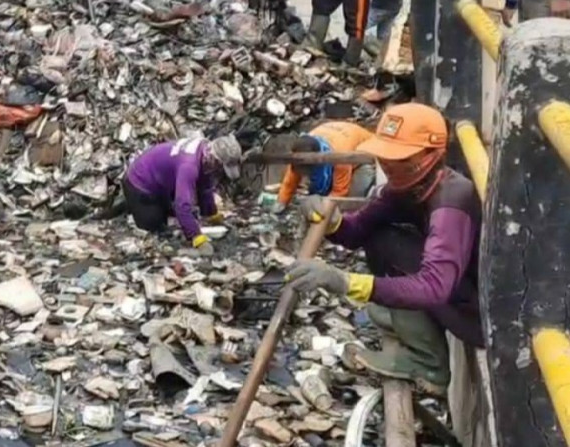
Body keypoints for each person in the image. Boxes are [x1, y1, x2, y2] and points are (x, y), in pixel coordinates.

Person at [284, 103, 481, 397]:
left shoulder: (452, 200)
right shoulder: (405, 188)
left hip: (475, 312)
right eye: (385, 157)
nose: (388, 166)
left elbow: (434, 287)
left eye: (399, 158)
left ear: (430, 156)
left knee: (394, 247)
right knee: (382, 237)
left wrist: (345, 281)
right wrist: (333, 223)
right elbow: (359, 231)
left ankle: (427, 362)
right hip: (454, 292)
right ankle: (412, 325)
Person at [94, 135, 243, 255]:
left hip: (160, 182)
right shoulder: (189, 166)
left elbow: (205, 185)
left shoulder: (204, 149)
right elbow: (182, 206)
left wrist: (212, 214)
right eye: (220, 165)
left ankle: (136, 206)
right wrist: (198, 239)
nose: (219, 170)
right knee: (157, 229)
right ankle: (132, 206)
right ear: (213, 158)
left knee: (173, 216)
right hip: (139, 183)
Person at [274, 120, 375, 212]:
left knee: (353, 197)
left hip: (368, 153)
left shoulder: (340, 157)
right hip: (341, 136)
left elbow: (339, 192)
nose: (304, 174)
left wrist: (322, 211)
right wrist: (281, 203)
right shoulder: (302, 147)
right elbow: (289, 182)